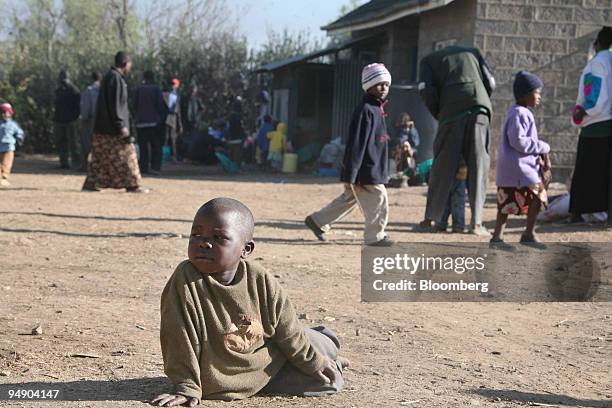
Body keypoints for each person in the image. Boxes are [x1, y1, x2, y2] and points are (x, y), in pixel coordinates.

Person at [151, 198, 346, 406]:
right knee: (329, 382)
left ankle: (327, 344)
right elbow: (177, 336)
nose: (203, 243)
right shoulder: (185, 280)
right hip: (228, 377)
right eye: (196, 235)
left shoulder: (259, 278)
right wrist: (186, 385)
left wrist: (313, 362)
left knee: (314, 343)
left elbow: (287, 328)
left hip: (269, 355)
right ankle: (332, 362)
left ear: (246, 249)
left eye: (218, 237)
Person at [304, 63, 393, 247]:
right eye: (379, 84)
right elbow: (356, 144)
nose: (383, 88)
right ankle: (374, 236)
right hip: (365, 170)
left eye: (386, 84)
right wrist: (351, 173)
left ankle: (318, 221)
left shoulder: (377, 109)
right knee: (378, 197)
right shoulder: (366, 110)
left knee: (349, 198)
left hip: (371, 169)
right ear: (368, 86)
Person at [419, 45, 496, 236]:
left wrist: (440, 114)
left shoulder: (427, 61)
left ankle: (432, 219)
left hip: (451, 112)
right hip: (480, 109)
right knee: (479, 165)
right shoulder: (474, 52)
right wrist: (479, 101)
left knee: (442, 166)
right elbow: (491, 83)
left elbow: (426, 91)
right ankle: (476, 224)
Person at [490, 71, 551, 250]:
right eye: (537, 92)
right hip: (518, 169)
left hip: (514, 169)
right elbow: (519, 142)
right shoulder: (520, 113)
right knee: (538, 196)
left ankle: (498, 238)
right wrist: (543, 147)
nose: (539, 97)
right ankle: (527, 234)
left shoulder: (519, 112)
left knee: (506, 204)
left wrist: (538, 157)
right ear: (525, 94)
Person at [82, 51, 148, 193]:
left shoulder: (109, 77)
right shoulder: (115, 79)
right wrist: (121, 126)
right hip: (113, 129)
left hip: (102, 128)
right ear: (125, 64)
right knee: (128, 156)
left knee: (99, 158)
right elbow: (115, 105)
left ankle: (91, 183)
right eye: (130, 64)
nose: (130, 68)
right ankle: (133, 184)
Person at [569, 26, 612, 225]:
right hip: (608, 125)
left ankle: (577, 213)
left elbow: (594, 96)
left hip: (595, 126)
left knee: (585, 174)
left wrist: (583, 111)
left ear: (598, 43)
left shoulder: (596, 64)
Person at [134, 70, 167, 175]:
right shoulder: (156, 89)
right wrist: (161, 119)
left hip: (141, 122)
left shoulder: (139, 89)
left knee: (143, 146)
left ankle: (144, 168)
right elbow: (160, 105)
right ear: (153, 78)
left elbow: (134, 105)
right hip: (154, 122)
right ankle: (155, 167)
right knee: (156, 146)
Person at [54, 69, 81, 170]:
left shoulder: (74, 90)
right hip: (59, 120)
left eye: (64, 77)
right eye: (61, 77)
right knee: (61, 142)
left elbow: (78, 106)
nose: (62, 79)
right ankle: (64, 163)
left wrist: (75, 117)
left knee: (73, 143)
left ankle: (76, 163)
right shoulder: (58, 90)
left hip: (71, 120)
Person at [435, 160, 467, 233]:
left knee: (444, 197)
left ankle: (441, 223)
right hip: (459, 163)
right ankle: (457, 225)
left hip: (444, 163)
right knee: (458, 199)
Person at [79, 71, 101, 171]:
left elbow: (86, 107)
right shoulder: (103, 90)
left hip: (90, 120)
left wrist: (84, 118)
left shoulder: (89, 90)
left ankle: (84, 166)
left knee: (86, 143)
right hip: (100, 120)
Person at [0, 103, 24, 187]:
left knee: (6, 164)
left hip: (9, 147)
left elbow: (19, 133)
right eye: (2, 112)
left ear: (10, 113)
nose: (4, 114)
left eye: (6, 112)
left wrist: (19, 141)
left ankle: (4, 178)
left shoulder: (13, 124)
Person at [163, 78, 183, 161]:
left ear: (177, 85)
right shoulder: (165, 95)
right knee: (166, 137)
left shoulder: (175, 96)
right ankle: (165, 155)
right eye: (172, 84)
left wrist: (180, 124)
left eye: (174, 84)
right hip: (167, 117)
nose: (173, 86)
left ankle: (172, 155)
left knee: (172, 137)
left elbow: (178, 111)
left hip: (173, 117)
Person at [226, 98, 246, 165]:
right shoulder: (238, 117)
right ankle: (236, 167)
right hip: (238, 138)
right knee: (237, 154)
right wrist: (243, 135)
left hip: (231, 137)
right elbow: (240, 127)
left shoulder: (230, 116)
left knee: (231, 153)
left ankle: (230, 167)